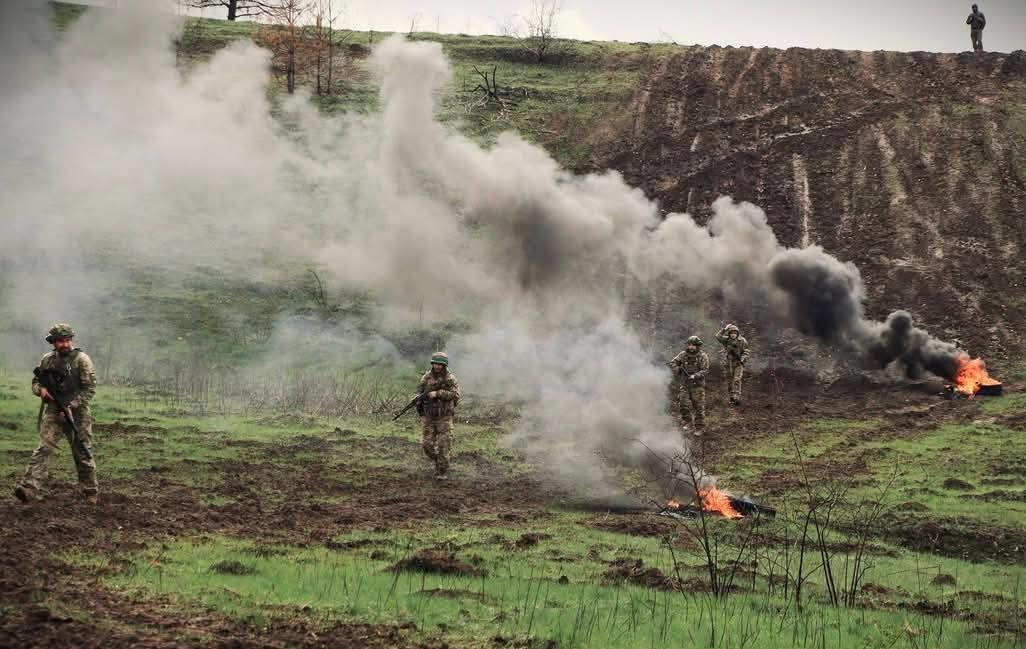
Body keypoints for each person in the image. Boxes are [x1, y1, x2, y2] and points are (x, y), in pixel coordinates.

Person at [14, 323, 99, 503]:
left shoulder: (82, 360)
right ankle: (30, 488)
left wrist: (72, 405)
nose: (64, 344)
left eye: (67, 340)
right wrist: (40, 390)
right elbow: (36, 381)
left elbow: (89, 388)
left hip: (78, 413)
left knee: (82, 451)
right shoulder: (48, 360)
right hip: (53, 409)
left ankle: (89, 491)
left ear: (72, 340)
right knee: (44, 448)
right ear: (53, 342)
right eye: (60, 341)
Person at [417, 352, 461, 480]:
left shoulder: (450, 379)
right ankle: (437, 461)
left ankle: (442, 471)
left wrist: (438, 393)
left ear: (444, 365)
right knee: (426, 445)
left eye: (440, 364)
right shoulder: (426, 378)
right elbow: (420, 393)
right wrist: (419, 402)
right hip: (429, 416)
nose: (437, 366)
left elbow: (456, 395)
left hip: (444, 417)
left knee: (443, 444)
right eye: (435, 363)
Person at [669, 336, 709, 434]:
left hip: (697, 385)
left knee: (699, 407)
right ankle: (688, 423)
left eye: (693, 345)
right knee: (683, 405)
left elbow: (705, 370)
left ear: (697, 346)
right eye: (689, 345)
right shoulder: (683, 355)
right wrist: (678, 370)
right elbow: (673, 362)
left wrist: (695, 376)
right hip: (685, 385)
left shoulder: (702, 356)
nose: (691, 347)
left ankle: (699, 427)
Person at [716, 323, 751, 406]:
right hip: (728, 363)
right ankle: (731, 396)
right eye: (731, 333)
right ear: (729, 334)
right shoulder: (726, 340)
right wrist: (724, 329)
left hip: (738, 363)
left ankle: (737, 396)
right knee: (729, 380)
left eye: (735, 333)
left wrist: (743, 358)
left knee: (737, 379)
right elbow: (718, 336)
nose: (733, 335)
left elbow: (746, 351)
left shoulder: (742, 341)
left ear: (737, 334)